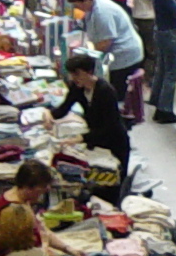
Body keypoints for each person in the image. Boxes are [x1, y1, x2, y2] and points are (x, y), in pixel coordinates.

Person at [49, 53, 130, 184]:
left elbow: (109, 126)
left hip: (114, 141)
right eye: (71, 74)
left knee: (113, 182)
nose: (73, 78)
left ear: (90, 72)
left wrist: (81, 138)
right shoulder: (77, 88)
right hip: (96, 138)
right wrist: (48, 114)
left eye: (77, 74)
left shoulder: (105, 91)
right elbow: (63, 109)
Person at [68, 0, 144, 95]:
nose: (77, 9)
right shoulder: (92, 6)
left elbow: (105, 43)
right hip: (117, 53)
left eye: (77, 5)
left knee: (112, 94)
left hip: (124, 56)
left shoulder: (102, 12)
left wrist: (85, 53)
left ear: (86, 0)